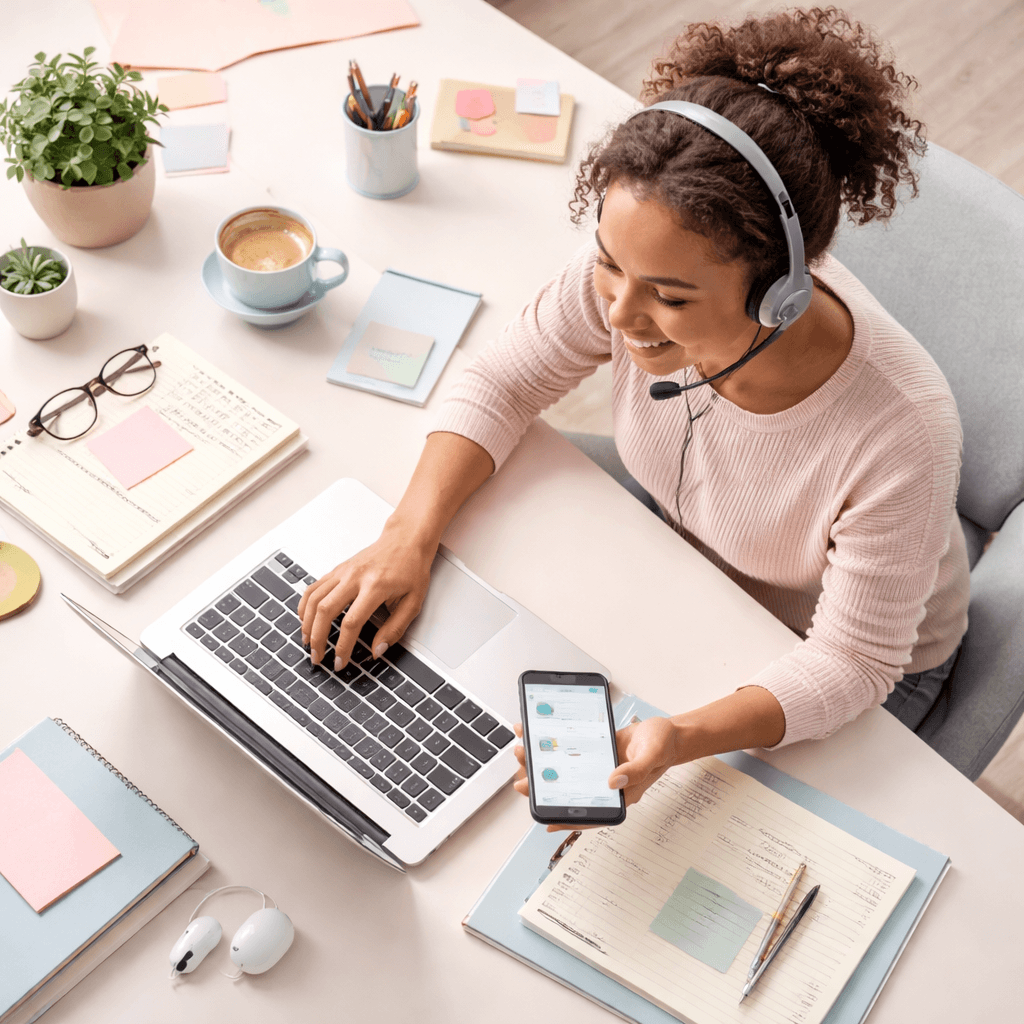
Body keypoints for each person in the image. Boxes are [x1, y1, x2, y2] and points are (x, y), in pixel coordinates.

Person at [299, 7, 969, 825]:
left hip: (852, 660)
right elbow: (504, 380)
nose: (619, 312)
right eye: (611, 267)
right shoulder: (635, 275)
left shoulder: (903, 433)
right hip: (692, 561)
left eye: (671, 297)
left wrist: (678, 736)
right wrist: (407, 535)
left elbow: (856, 662)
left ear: (778, 292)